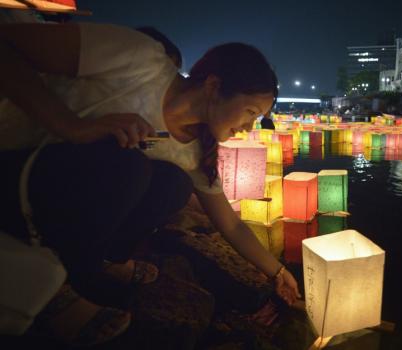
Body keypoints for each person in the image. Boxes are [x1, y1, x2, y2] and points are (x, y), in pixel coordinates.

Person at [0, 22, 300, 343]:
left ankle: (101, 263)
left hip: (50, 209)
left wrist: (279, 272)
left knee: (173, 185)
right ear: (214, 86)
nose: (248, 126)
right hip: (14, 174)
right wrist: (72, 127)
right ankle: (55, 293)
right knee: (129, 166)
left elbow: (230, 224)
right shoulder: (141, 59)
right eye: (250, 112)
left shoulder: (195, 151)